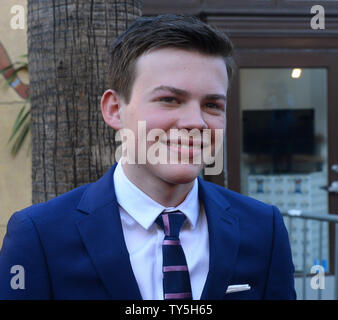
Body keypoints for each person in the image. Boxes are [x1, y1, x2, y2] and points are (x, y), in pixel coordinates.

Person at [0, 14, 296, 300]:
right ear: (114, 109)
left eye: (212, 105)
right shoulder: (40, 237)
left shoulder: (263, 229)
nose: (196, 122)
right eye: (169, 100)